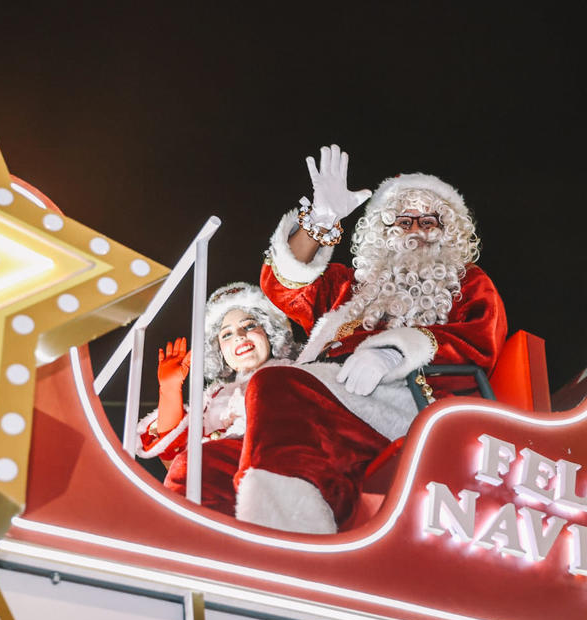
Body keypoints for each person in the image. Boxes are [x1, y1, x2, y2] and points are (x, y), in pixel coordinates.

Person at [234, 144, 508, 533]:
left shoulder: (466, 283)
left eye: (429, 222)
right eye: (403, 222)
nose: (416, 232)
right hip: (327, 398)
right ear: (384, 231)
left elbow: (479, 342)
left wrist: (393, 354)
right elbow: (281, 286)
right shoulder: (351, 287)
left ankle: (288, 539)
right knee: (213, 457)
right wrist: (320, 221)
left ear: (450, 234)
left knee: (274, 382)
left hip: (410, 405)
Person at [137, 282, 296, 514]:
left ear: (270, 331)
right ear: (219, 349)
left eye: (249, 325)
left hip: (273, 491)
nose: (240, 337)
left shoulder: (295, 376)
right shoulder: (214, 397)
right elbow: (176, 462)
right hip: (214, 499)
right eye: (227, 334)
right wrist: (170, 391)